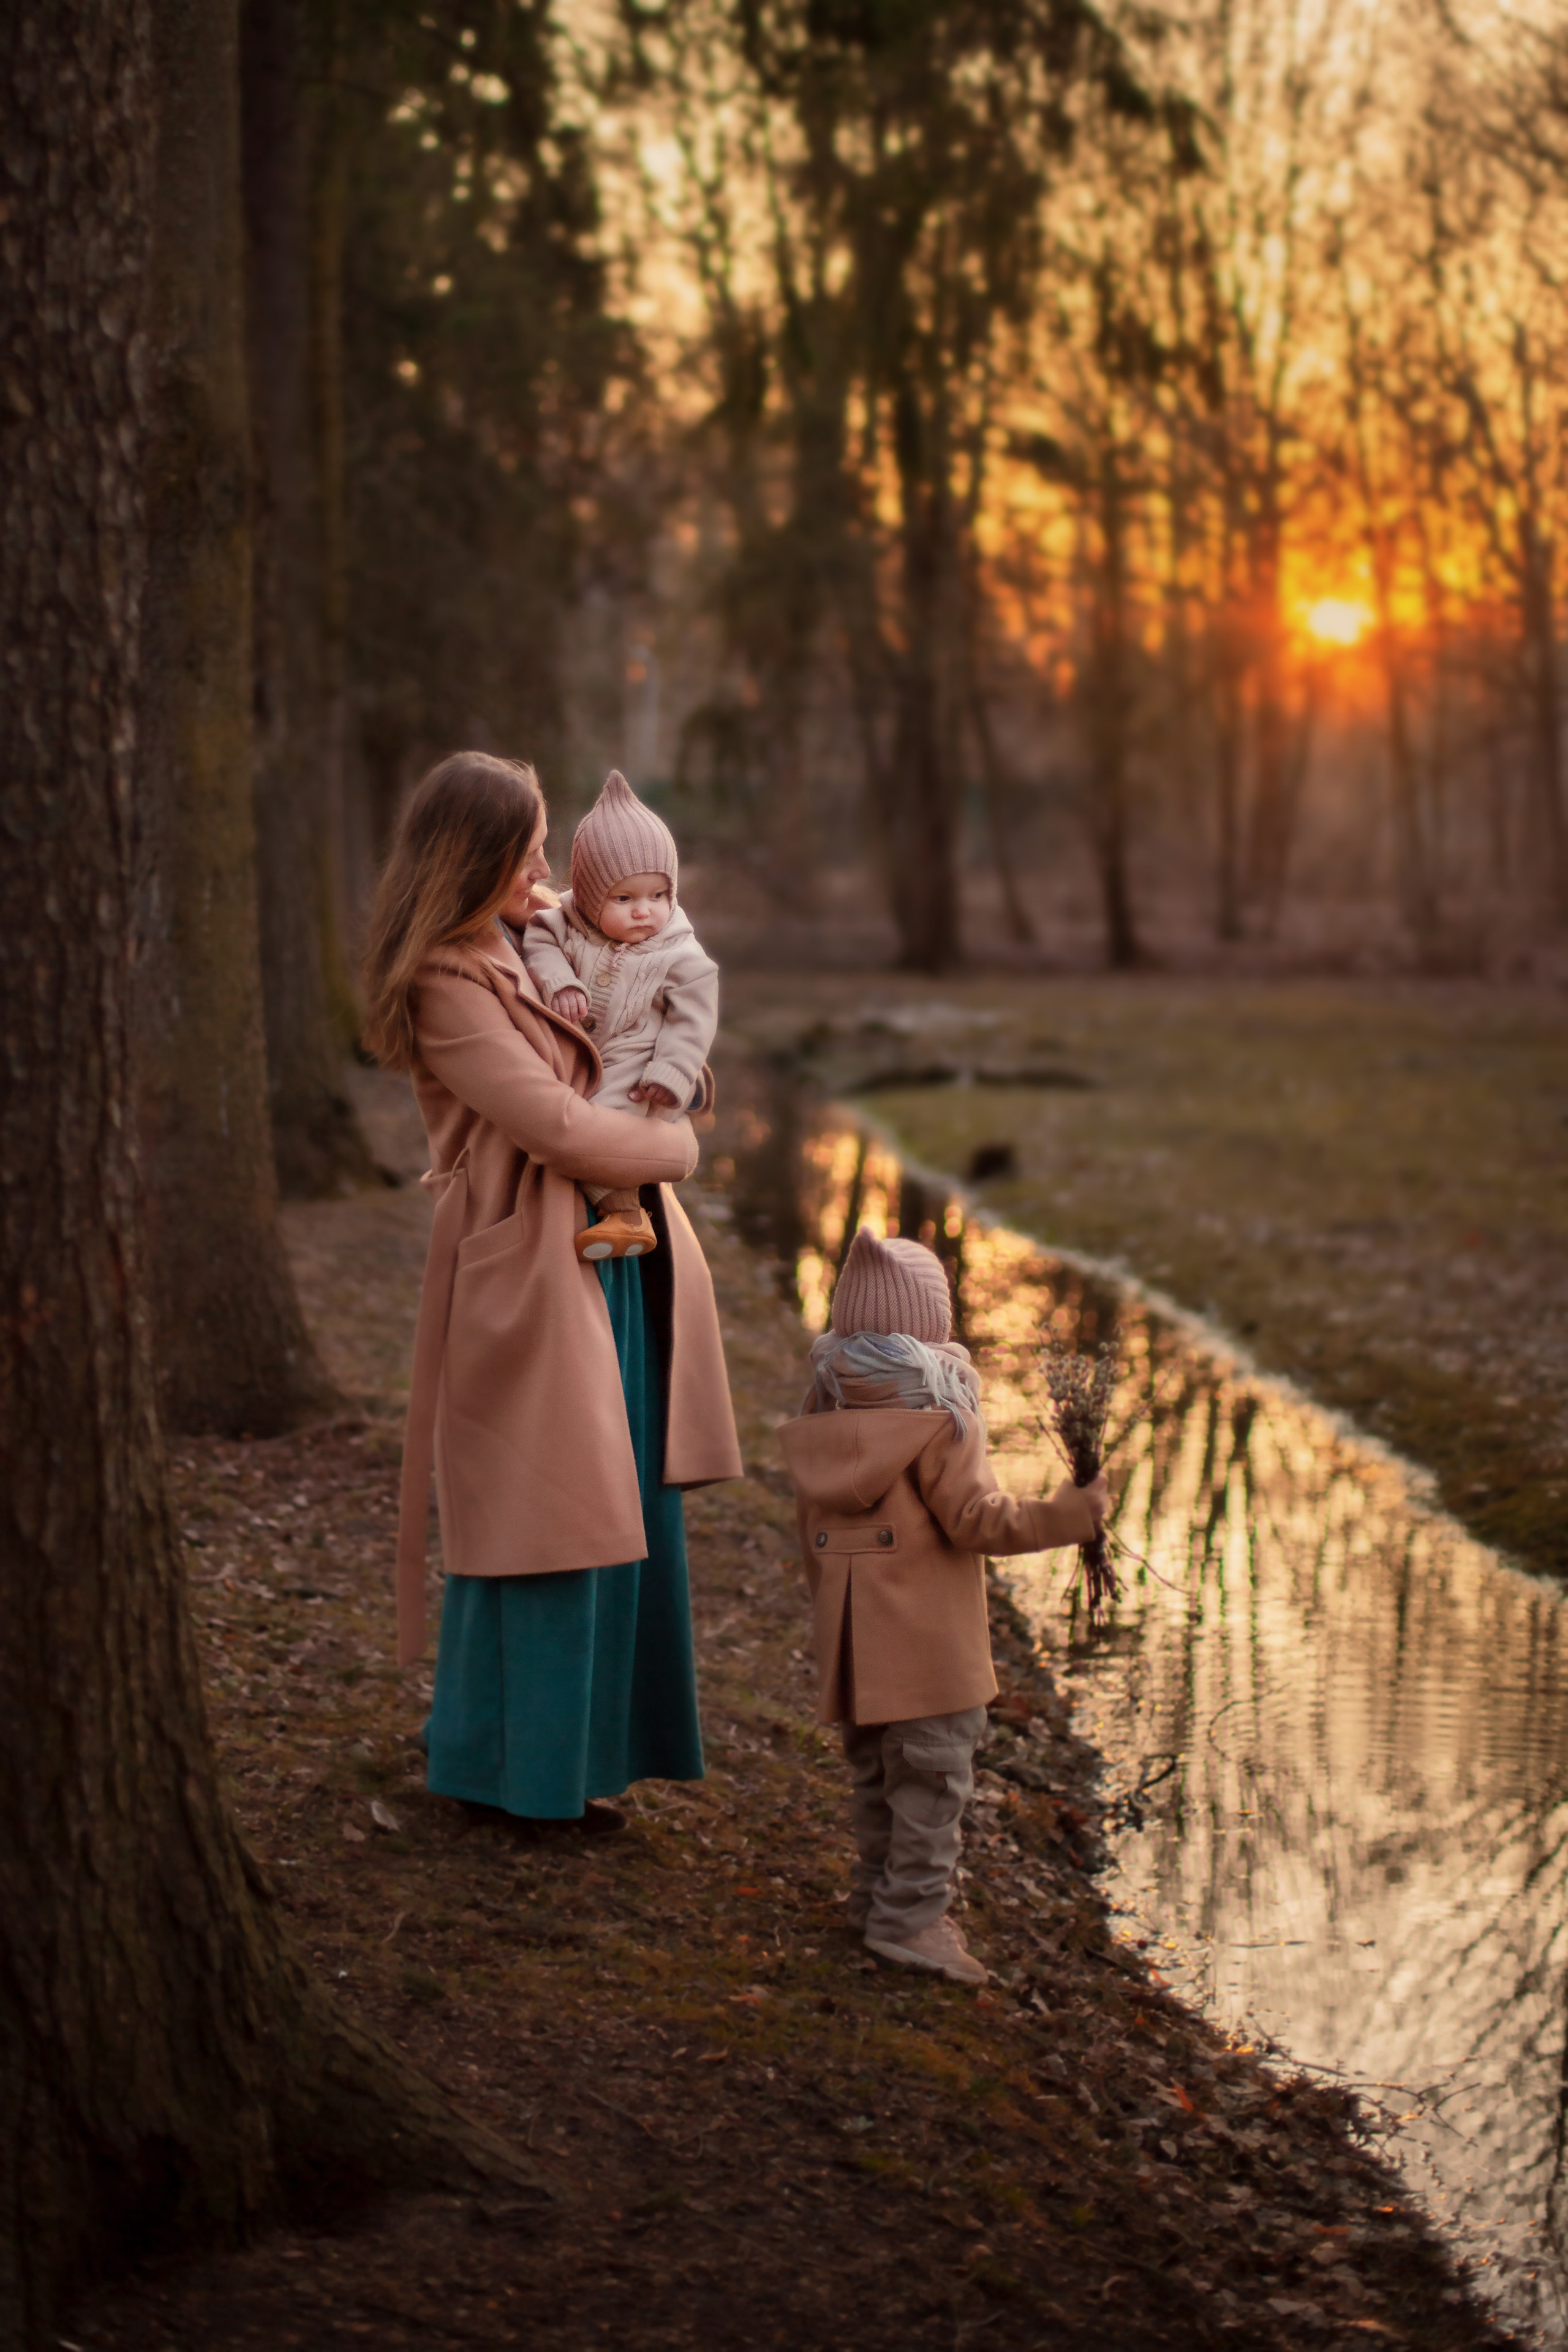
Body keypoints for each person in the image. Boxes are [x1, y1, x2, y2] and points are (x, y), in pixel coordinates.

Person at [362, 751, 741, 1833]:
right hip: (532, 1264)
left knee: (624, 1515)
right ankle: (512, 1774)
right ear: (476, 858)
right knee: (545, 1522)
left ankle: (592, 1758)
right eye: (528, 850)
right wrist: (677, 1147)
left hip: (613, 1260)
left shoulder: (531, 934)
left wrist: (675, 1062)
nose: (544, 868)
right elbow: (559, 1127)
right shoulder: (447, 981)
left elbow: (651, 976)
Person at [777, 1228, 1109, 1985]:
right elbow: (978, 1522)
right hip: (926, 1652)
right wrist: (1068, 1516)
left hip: (853, 1649)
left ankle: (875, 1901)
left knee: (877, 1781)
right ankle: (911, 1923)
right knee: (931, 1786)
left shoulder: (822, 1409)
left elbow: (811, 1539)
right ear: (931, 1326)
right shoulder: (939, 1415)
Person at [521, 769, 718, 1264]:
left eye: (658, 896)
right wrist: (560, 980)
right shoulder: (563, 920)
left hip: (637, 1054)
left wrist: (673, 1071)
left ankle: (625, 1215)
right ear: (589, 897)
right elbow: (540, 941)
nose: (643, 912)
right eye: (624, 898)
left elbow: (693, 1019)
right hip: (585, 1051)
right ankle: (617, 1214)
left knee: (608, 1118)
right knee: (579, 1117)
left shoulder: (678, 950)